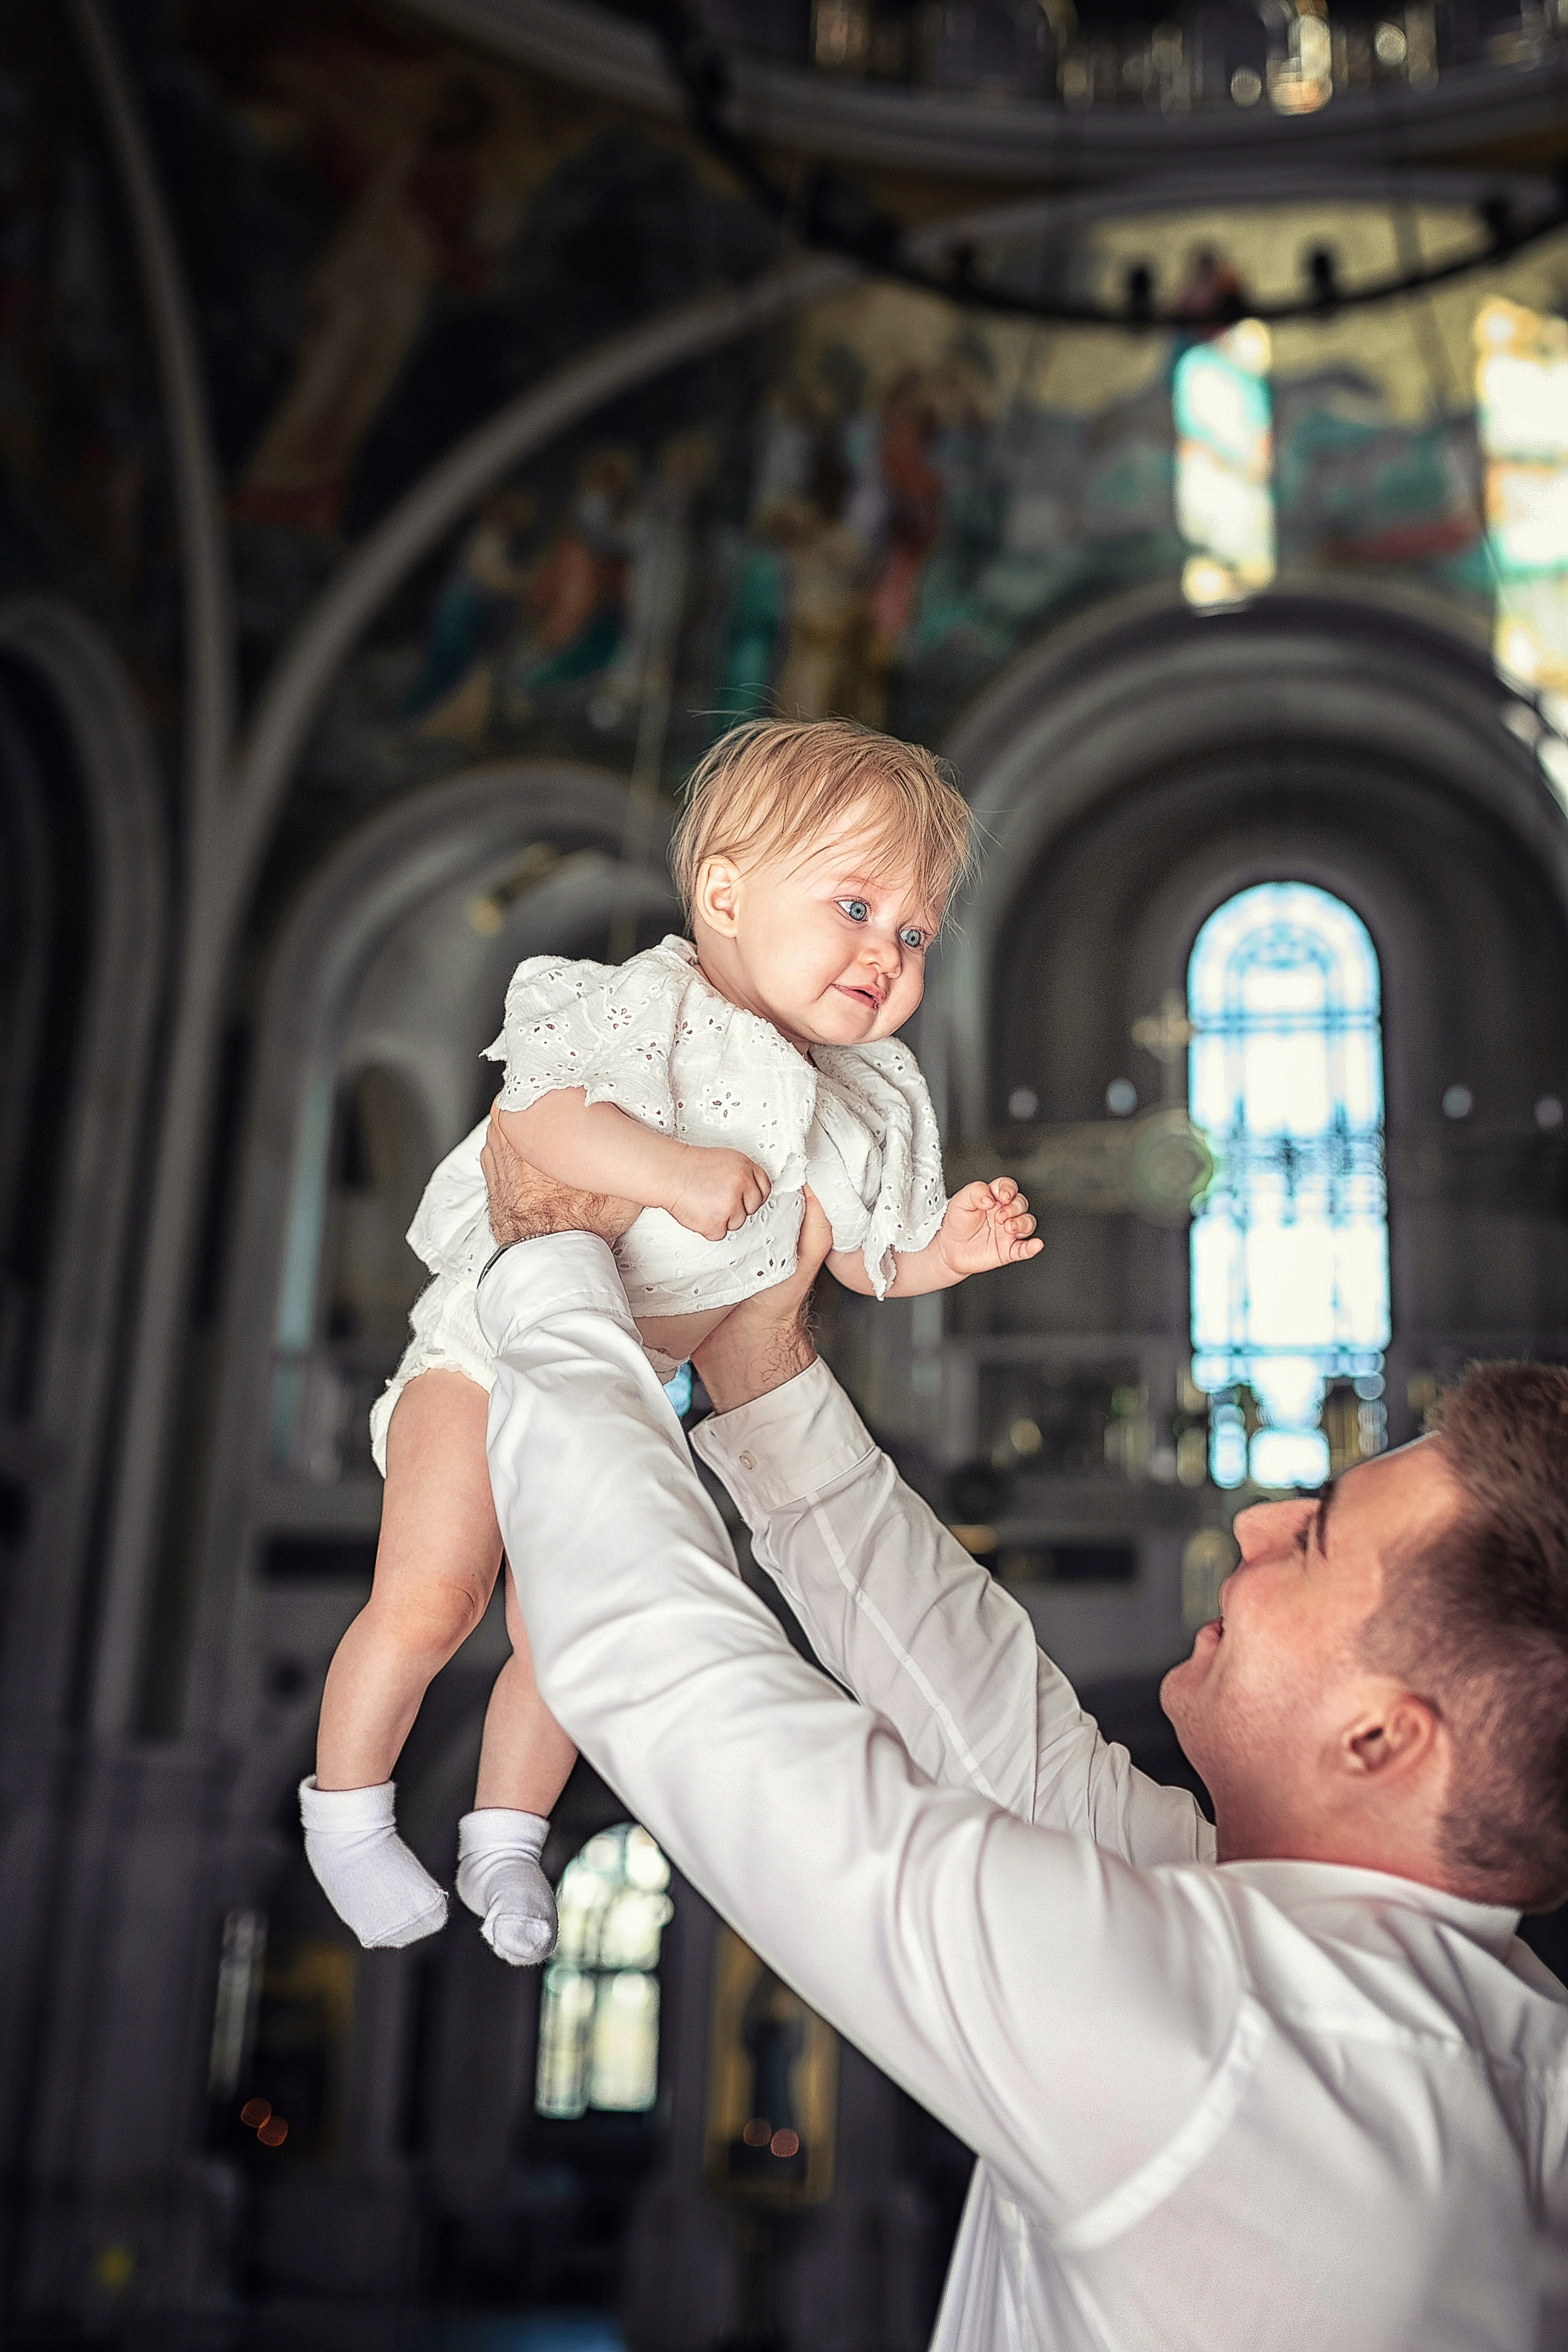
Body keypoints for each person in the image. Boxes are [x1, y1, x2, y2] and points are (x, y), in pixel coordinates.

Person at [470, 1129, 1568, 2352]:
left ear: (1378, 1739)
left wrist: (546, 1259)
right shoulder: (1451, 2007)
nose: (1254, 1522)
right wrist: (760, 1367)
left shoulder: (1239, 2048)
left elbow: (679, 1688)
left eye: (1311, 1540)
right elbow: (1000, 1743)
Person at [300, 719, 1041, 1967]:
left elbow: (856, 1258)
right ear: (723, 893)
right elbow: (536, 1119)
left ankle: (503, 1837)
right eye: (855, 905)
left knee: (569, 1635)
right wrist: (665, 1169)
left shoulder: (868, 1102)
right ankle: (349, 1815)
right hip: (484, 1359)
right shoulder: (650, 1005)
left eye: (912, 934)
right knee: (434, 1594)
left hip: (630, 1395)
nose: (885, 953)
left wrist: (941, 1254)